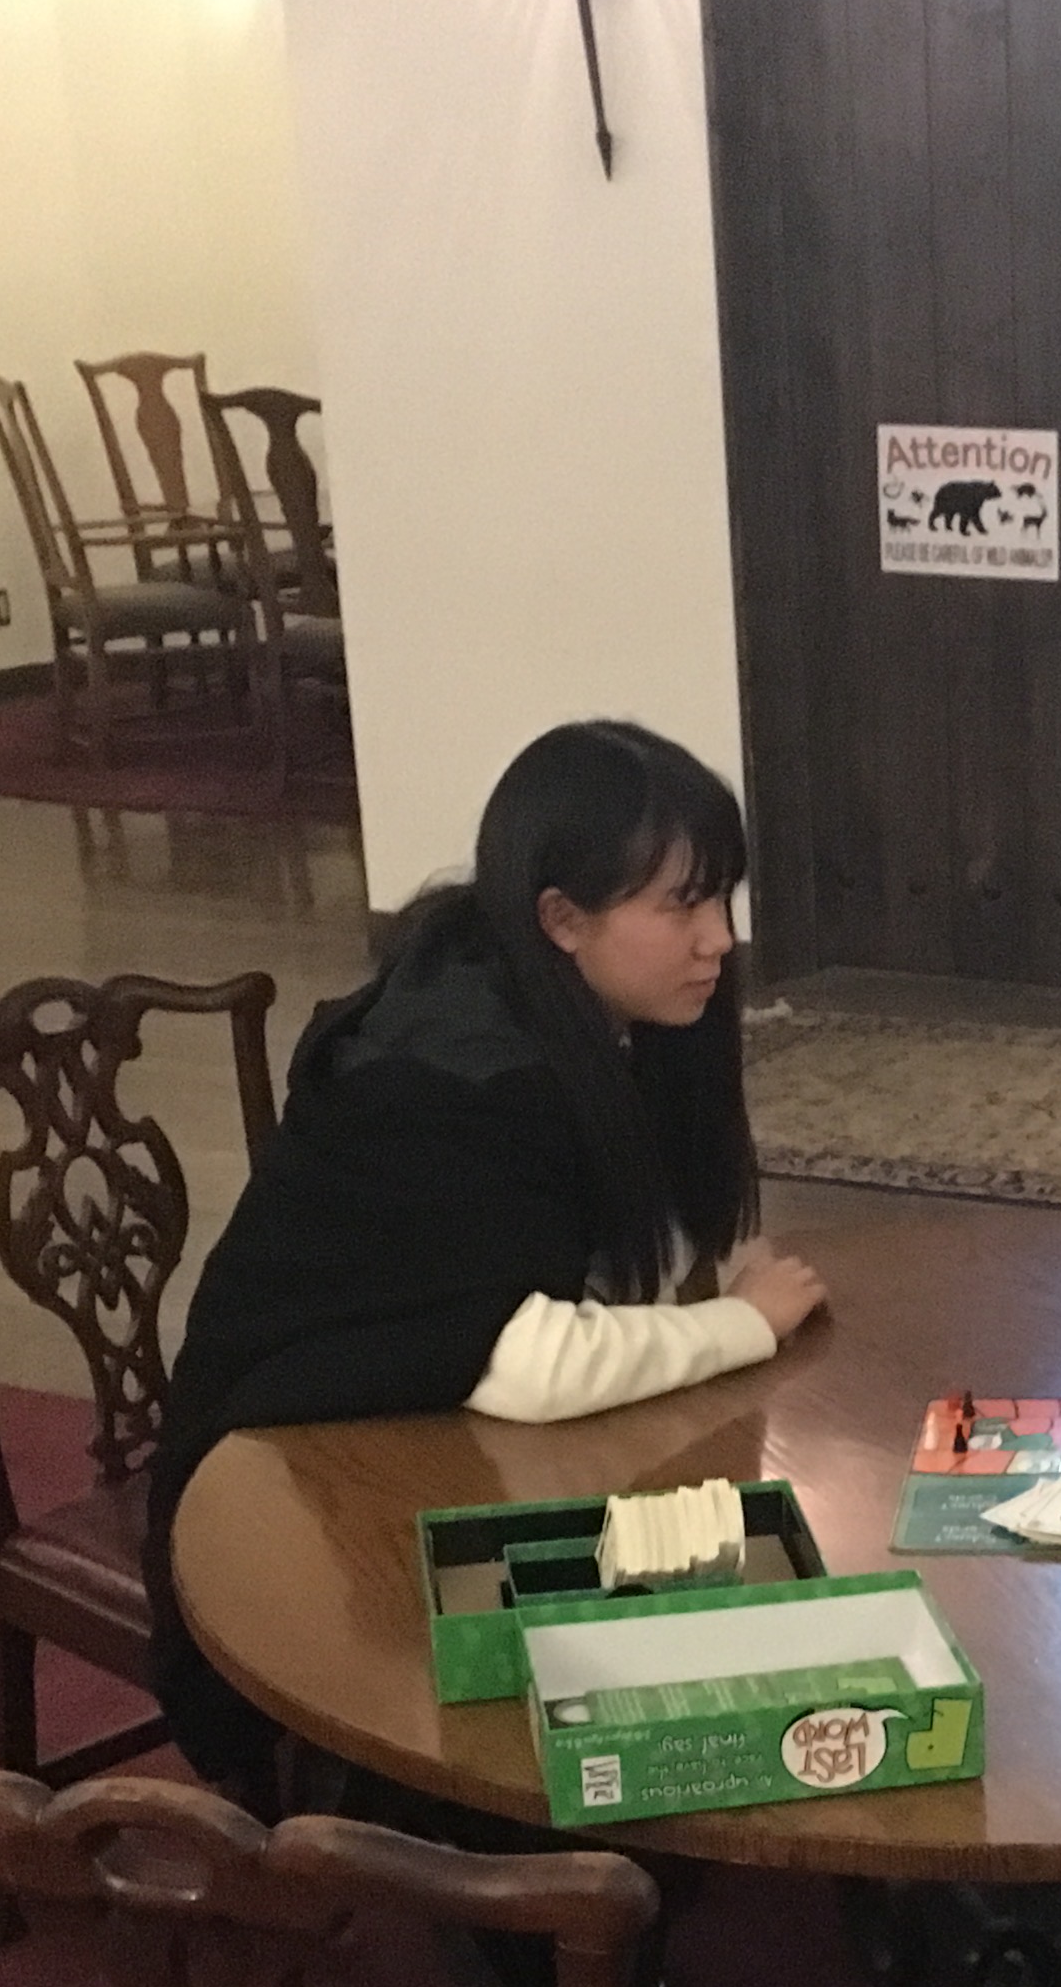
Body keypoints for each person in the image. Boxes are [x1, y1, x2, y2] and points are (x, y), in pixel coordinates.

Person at [145, 720, 826, 1789]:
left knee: (721, 1592)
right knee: (673, 1663)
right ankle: (486, 1862)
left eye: (722, 899)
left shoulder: (578, 1014)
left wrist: (711, 1290)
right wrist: (742, 1322)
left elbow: (650, 1240)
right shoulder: (460, 1077)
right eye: (682, 905)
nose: (719, 941)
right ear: (562, 919)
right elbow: (527, 1361)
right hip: (289, 1506)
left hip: (435, 1441)